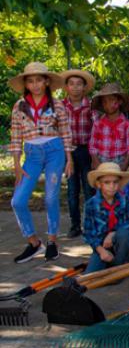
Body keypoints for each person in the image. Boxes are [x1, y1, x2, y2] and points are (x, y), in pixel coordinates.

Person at [9, 62, 74, 263]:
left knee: (50, 198)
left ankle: (52, 241)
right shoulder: (19, 106)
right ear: (26, 84)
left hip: (55, 151)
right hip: (32, 155)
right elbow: (15, 136)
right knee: (17, 201)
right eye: (31, 81)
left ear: (46, 81)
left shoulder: (57, 105)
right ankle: (34, 243)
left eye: (39, 80)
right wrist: (17, 164)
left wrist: (69, 158)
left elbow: (65, 132)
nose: (35, 85)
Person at [60, 69, 98, 238]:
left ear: (84, 87)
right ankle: (75, 225)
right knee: (72, 190)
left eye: (79, 84)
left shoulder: (91, 106)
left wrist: (94, 154)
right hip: (68, 152)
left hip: (86, 151)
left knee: (89, 189)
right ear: (66, 87)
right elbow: (56, 128)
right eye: (71, 84)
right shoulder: (60, 106)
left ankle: (90, 223)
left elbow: (96, 130)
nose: (75, 87)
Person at [82, 163, 129, 273]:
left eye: (115, 182)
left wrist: (113, 234)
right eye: (107, 182)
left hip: (120, 241)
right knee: (91, 274)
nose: (112, 186)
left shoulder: (124, 200)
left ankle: (118, 265)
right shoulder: (91, 204)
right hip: (102, 245)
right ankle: (112, 262)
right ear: (98, 184)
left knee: (124, 234)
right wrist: (101, 250)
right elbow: (88, 233)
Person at [89, 83, 129, 171]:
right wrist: (96, 162)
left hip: (120, 161)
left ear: (120, 101)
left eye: (111, 100)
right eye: (104, 101)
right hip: (101, 160)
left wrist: (125, 165)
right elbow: (92, 146)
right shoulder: (98, 124)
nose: (108, 104)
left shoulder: (127, 124)